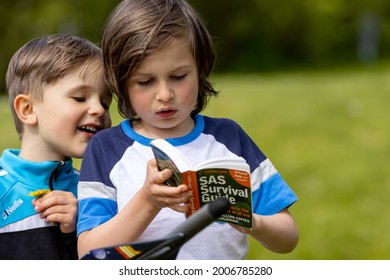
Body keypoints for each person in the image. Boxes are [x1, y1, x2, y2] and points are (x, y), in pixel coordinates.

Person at [77, 0, 299, 259]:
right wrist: (148, 202)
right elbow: (88, 252)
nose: (164, 94)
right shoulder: (107, 148)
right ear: (121, 83)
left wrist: (251, 221)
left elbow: (288, 237)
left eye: (179, 76)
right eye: (145, 81)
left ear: (200, 69)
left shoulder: (229, 138)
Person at [0, 34, 113, 259]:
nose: (99, 110)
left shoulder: (96, 190)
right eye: (80, 98)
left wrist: (81, 228)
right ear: (28, 109)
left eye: (104, 103)